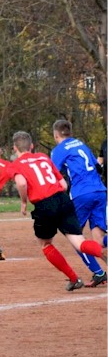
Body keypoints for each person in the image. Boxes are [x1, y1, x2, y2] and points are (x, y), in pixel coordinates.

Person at [10, 131, 106, 291]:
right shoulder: (43, 157)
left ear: (15, 148)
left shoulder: (16, 164)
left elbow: (21, 182)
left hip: (45, 205)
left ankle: (75, 279)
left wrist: (24, 202)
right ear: (32, 146)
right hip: (63, 199)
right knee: (79, 241)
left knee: (46, 244)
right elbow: (63, 184)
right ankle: (103, 257)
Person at [50, 120, 107, 287]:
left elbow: (52, 173)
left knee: (75, 237)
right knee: (98, 239)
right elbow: (98, 167)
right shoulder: (81, 145)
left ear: (56, 134)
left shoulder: (59, 150)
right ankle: (99, 273)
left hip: (82, 194)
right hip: (100, 191)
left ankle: (99, 273)